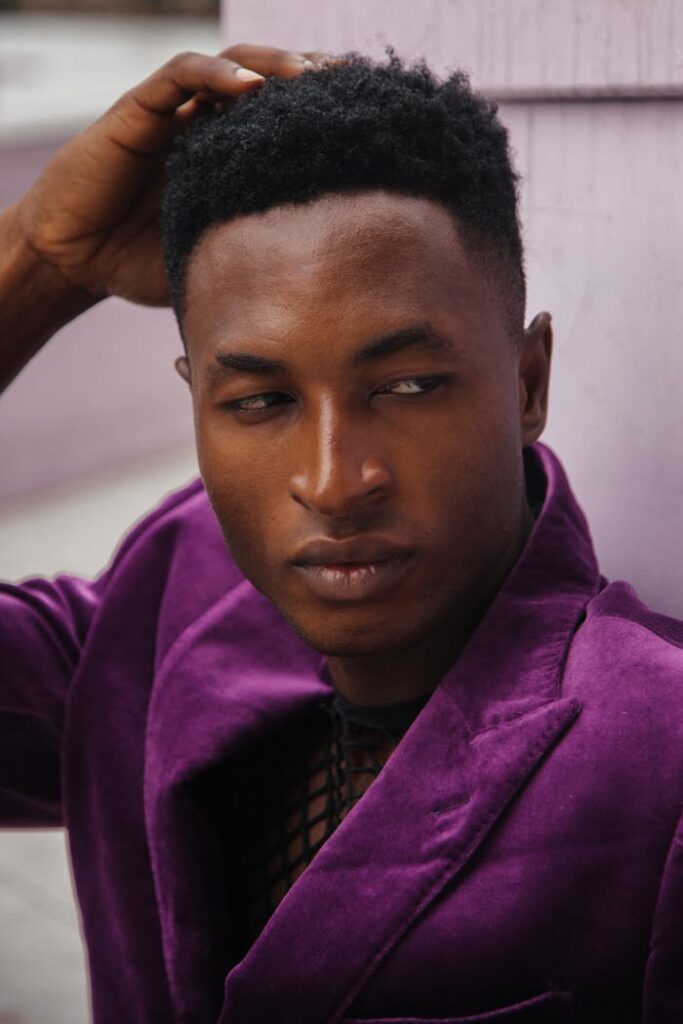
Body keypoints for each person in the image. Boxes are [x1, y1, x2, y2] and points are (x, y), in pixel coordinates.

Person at [1, 40, 681, 1024]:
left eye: (406, 386)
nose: (333, 481)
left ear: (526, 382)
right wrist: (36, 261)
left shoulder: (655, 763)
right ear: (195, 399)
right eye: (261, 398)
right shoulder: (163, 599)